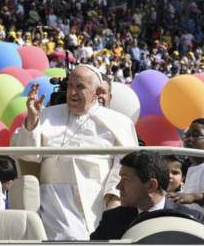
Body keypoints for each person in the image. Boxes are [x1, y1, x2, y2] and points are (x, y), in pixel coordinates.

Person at [11, 64, 139, 240]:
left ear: (98, 91)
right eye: (70, 85)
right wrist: (32, 120)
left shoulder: (119, 122)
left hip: (98, 197)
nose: (72, 92)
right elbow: (27, 156)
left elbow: (125, 164)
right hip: (55, 199)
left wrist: (115, 198)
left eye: (80, 87)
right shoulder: (47, 115)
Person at [90, 150, 204, 240]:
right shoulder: (111, 219)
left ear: (151, 186)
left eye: (125, 180)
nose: (118, 187)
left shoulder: (191, 220)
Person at [167, 118, 204, 234]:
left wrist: (194, 197)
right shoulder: (194, 167)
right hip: (196, 231)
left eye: (194, 135)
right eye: (186, 135)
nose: (187, 139)